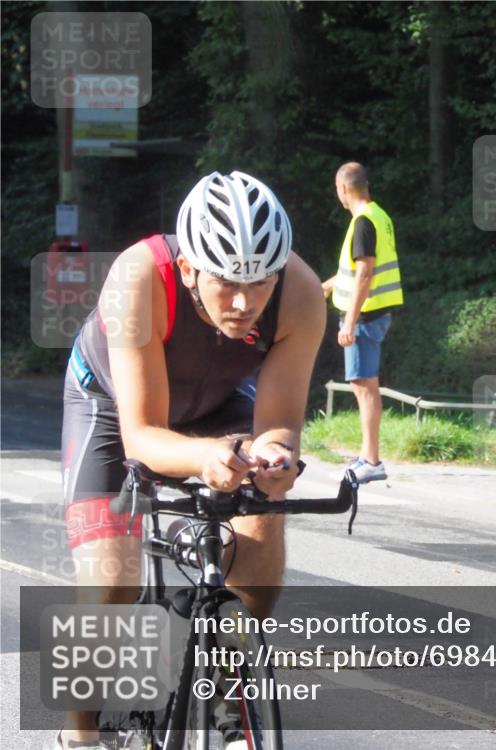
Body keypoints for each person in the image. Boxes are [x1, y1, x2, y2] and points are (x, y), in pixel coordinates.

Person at [57, 171, 326, 749]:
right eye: (227, 281)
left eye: (259, 284)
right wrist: (206, 457)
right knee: (111, 581)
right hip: (111, 406)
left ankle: (235, 692)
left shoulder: (300, 293)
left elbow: (278, 423)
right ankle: (78, 736)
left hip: (217, 402)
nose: (243, 302)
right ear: (188, 271)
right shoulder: (138, 278)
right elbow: (143, 436)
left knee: (261, 513)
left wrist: (275, 457)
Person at [321, 162, 402, 483]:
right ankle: (368, 456)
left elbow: (366, 274)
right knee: (365, 384)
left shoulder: (363, 222)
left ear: (343, 189)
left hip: (365, 317)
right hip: (375, 314)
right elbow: (357, 270)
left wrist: (349, 323)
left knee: (364, 386)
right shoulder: (379, 216)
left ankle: (371, 460)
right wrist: (328, 285)